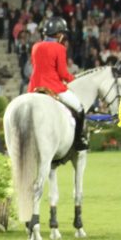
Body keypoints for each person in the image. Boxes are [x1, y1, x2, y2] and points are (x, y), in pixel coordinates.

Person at [29, 18, 87, 151]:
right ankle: (78, 140)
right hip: (53, 86)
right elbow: (62, 73)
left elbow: (37, 66)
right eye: (62, 34)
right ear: (58, 34)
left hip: (34, 87)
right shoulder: (59, 48)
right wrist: (74, 79)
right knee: (79, 108)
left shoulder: (35, 46)